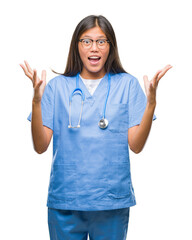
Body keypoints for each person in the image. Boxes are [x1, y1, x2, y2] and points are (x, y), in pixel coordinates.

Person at [20, 15, 172, 240]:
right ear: (77, 46)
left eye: (102, 41)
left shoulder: (127, 85)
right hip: (67, 200)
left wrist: (150, 105)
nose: (94, 48)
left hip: (110, 201)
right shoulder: (56, 87)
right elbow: (40, 146)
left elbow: (137, 146)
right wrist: (35, 102)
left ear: (110, 46)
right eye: (86, 41)